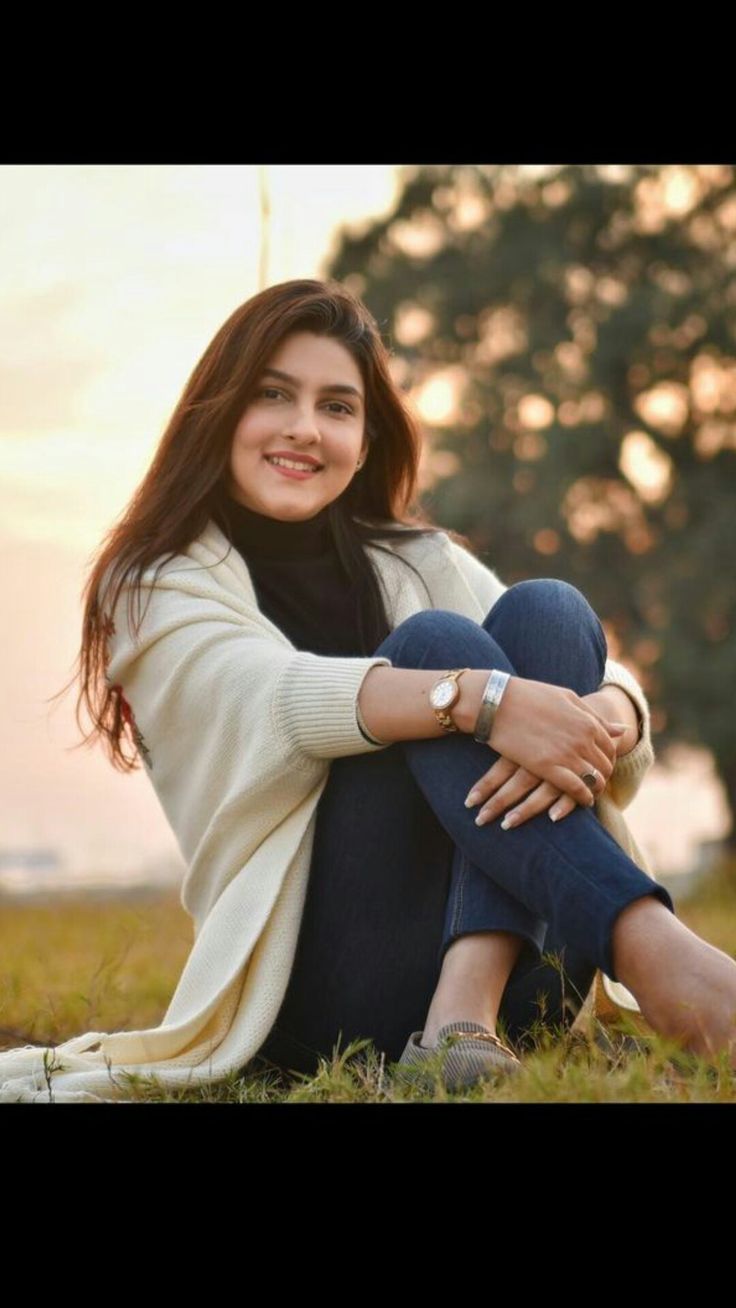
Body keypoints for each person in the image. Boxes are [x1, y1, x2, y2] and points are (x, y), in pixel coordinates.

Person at [2, 278, 735, 1103]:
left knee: (549, 611)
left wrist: (611, 710)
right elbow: (273, 698)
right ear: (220, 410)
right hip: (320, 995)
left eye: (338, 406)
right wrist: (477, 701)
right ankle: (657, 953)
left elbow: (593, 684)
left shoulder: (412, 560)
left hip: (526, 988)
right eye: (273, 395)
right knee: (440, 651)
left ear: (366, 433)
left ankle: (468, 1012)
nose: (304, 429)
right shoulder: (159, 588)